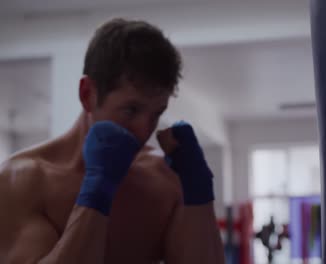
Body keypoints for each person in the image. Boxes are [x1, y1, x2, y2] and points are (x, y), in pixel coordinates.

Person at [0, 18, 224, 264]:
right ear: (87, 94)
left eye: (156, 114)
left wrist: (198, 192)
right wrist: (96, 194)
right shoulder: (25, 180)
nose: (144, 131)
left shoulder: (164, 180)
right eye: (131, 110)